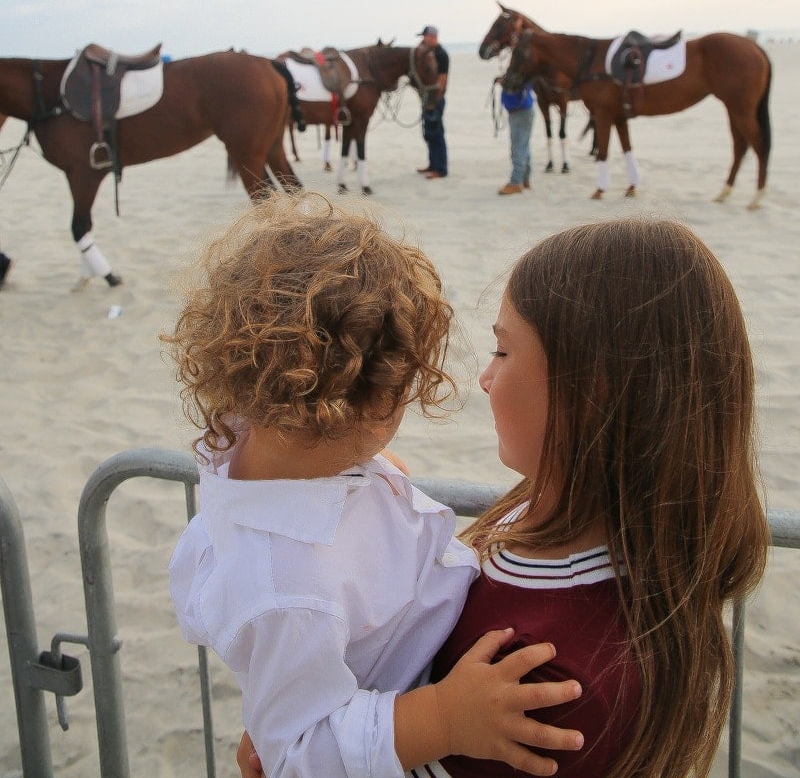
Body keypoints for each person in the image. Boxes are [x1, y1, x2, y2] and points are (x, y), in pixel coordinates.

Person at [238, 216, 769, 778]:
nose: (486, 379)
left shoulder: (554, 684)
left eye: (503, 350)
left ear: (591, 391)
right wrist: (305, 731)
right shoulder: (548, 507)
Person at [166, 193, 584, 778]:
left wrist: (364, 469)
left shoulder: (269, 441)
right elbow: (295, 757)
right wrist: (443, 718)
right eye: (398, 396)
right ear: (348, 409)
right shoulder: (290, 589)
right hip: (410, 703)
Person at [416, 26, 449, 179]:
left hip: (435, 99)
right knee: (429, 133)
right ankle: (432, 164)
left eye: (424, 37)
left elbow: (443, 79)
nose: (422, 39)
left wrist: (435, 100)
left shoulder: (441, 54)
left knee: (437, 134)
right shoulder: (429, 53)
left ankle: (441, 169)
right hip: (428, 97)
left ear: (432, 37)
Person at [497, 78, 536, 195]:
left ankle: (515, 182)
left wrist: (507, 82)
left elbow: (525, 84)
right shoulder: (520, 72)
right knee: (524, 146)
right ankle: (525, 178)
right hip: (521, 111)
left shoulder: (522, 74)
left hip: (520, 111)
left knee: (518, 147)